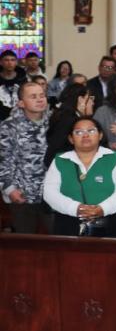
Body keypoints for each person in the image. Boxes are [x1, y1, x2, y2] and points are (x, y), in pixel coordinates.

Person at [42, 117, 116, 237]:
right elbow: (49, 193)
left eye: (91, 131)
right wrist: (76, 208)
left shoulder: (114, 158)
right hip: (68, 223)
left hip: (107, 222)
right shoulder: (60, 160)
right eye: (78, 132)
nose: (85, 135)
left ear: (100, 135)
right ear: (71, 138)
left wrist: (102, 208)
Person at [0, 82, 51, 233]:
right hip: (22, 195)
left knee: (55, 243)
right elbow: (3, 160)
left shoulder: (54, 122)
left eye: (42, 95)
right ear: (21, 103)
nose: (40, 99)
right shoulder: (9, 126)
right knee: (27, 246)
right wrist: (9, 189)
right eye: (33, 97)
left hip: (50, 194)